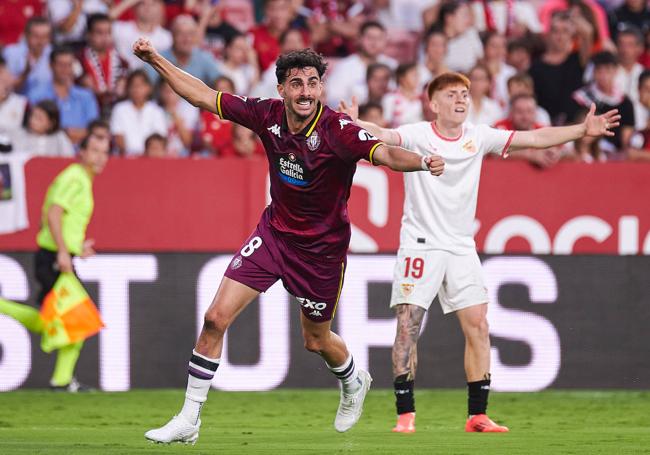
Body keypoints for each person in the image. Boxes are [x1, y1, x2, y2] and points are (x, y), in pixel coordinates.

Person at [132, 39, 444, 443]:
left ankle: (353, 379)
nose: (306, 92)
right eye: (297, 84)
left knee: (316, 341)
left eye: (313, 83)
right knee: (214, 318)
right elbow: (204, 97)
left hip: (321, 254)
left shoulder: (339, 130)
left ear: (321, 89)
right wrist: (156, 59)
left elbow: (385, 154)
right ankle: (189, 419)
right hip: (275, 236)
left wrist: (421, 161)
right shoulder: (267, 114)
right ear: (281, 90)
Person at [338, 71, 619, 433]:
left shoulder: (479, 136)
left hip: (460, 246)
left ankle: (477, 415)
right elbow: (384, 135)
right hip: (420, 243)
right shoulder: (419, 133)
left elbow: (534, 138)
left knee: (479, 325)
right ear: (434, 103)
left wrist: (581, 130)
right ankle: (405, 416)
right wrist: (353, 121)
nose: (461, 100)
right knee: (408, 327)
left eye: (465, 94)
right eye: (452, 94)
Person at [0, 132, 110, 391]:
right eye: (94, 150)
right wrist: (63, 251)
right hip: (53, 257)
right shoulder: (75, 177)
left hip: (55, 255)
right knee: (78, 318)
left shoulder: (80, 178)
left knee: (54, 320)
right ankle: (61, 381)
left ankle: (61, 381)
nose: (100, 158)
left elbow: (56, 215)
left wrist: (75, 247)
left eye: (104, 152)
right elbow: (54, 212)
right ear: (81, 152)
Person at [27, 46, 100, 145]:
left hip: (81, 153)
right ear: (50, 66)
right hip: (46, 149)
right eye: (61, 65)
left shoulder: (86, 96)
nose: (65, 69)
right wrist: (67, 133)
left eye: (69, 65)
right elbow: (34, 127)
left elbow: (94, 130)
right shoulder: (36, 95)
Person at [1, 99, 75, 157]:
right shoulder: (19, 134)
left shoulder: (59, 137)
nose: (32, 120)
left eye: (39, 118)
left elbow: (68, 159)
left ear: (51, 124)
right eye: (32, 115)